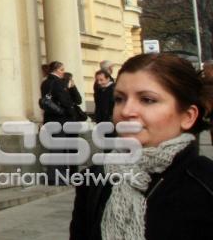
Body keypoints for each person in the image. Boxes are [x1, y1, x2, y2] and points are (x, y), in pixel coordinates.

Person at [70, 53, 213, 239]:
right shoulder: (96, 179)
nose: (126, 111)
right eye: (119, 99)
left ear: (188, 116)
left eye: (147, 100)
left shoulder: (205, 185)